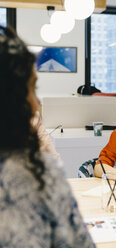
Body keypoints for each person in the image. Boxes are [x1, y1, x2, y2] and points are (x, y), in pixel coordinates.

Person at [0, 26, 95, 247]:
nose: (38, 102)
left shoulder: (43, 159)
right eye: (32, 89)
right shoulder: (41, 174)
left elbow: (54, 157)